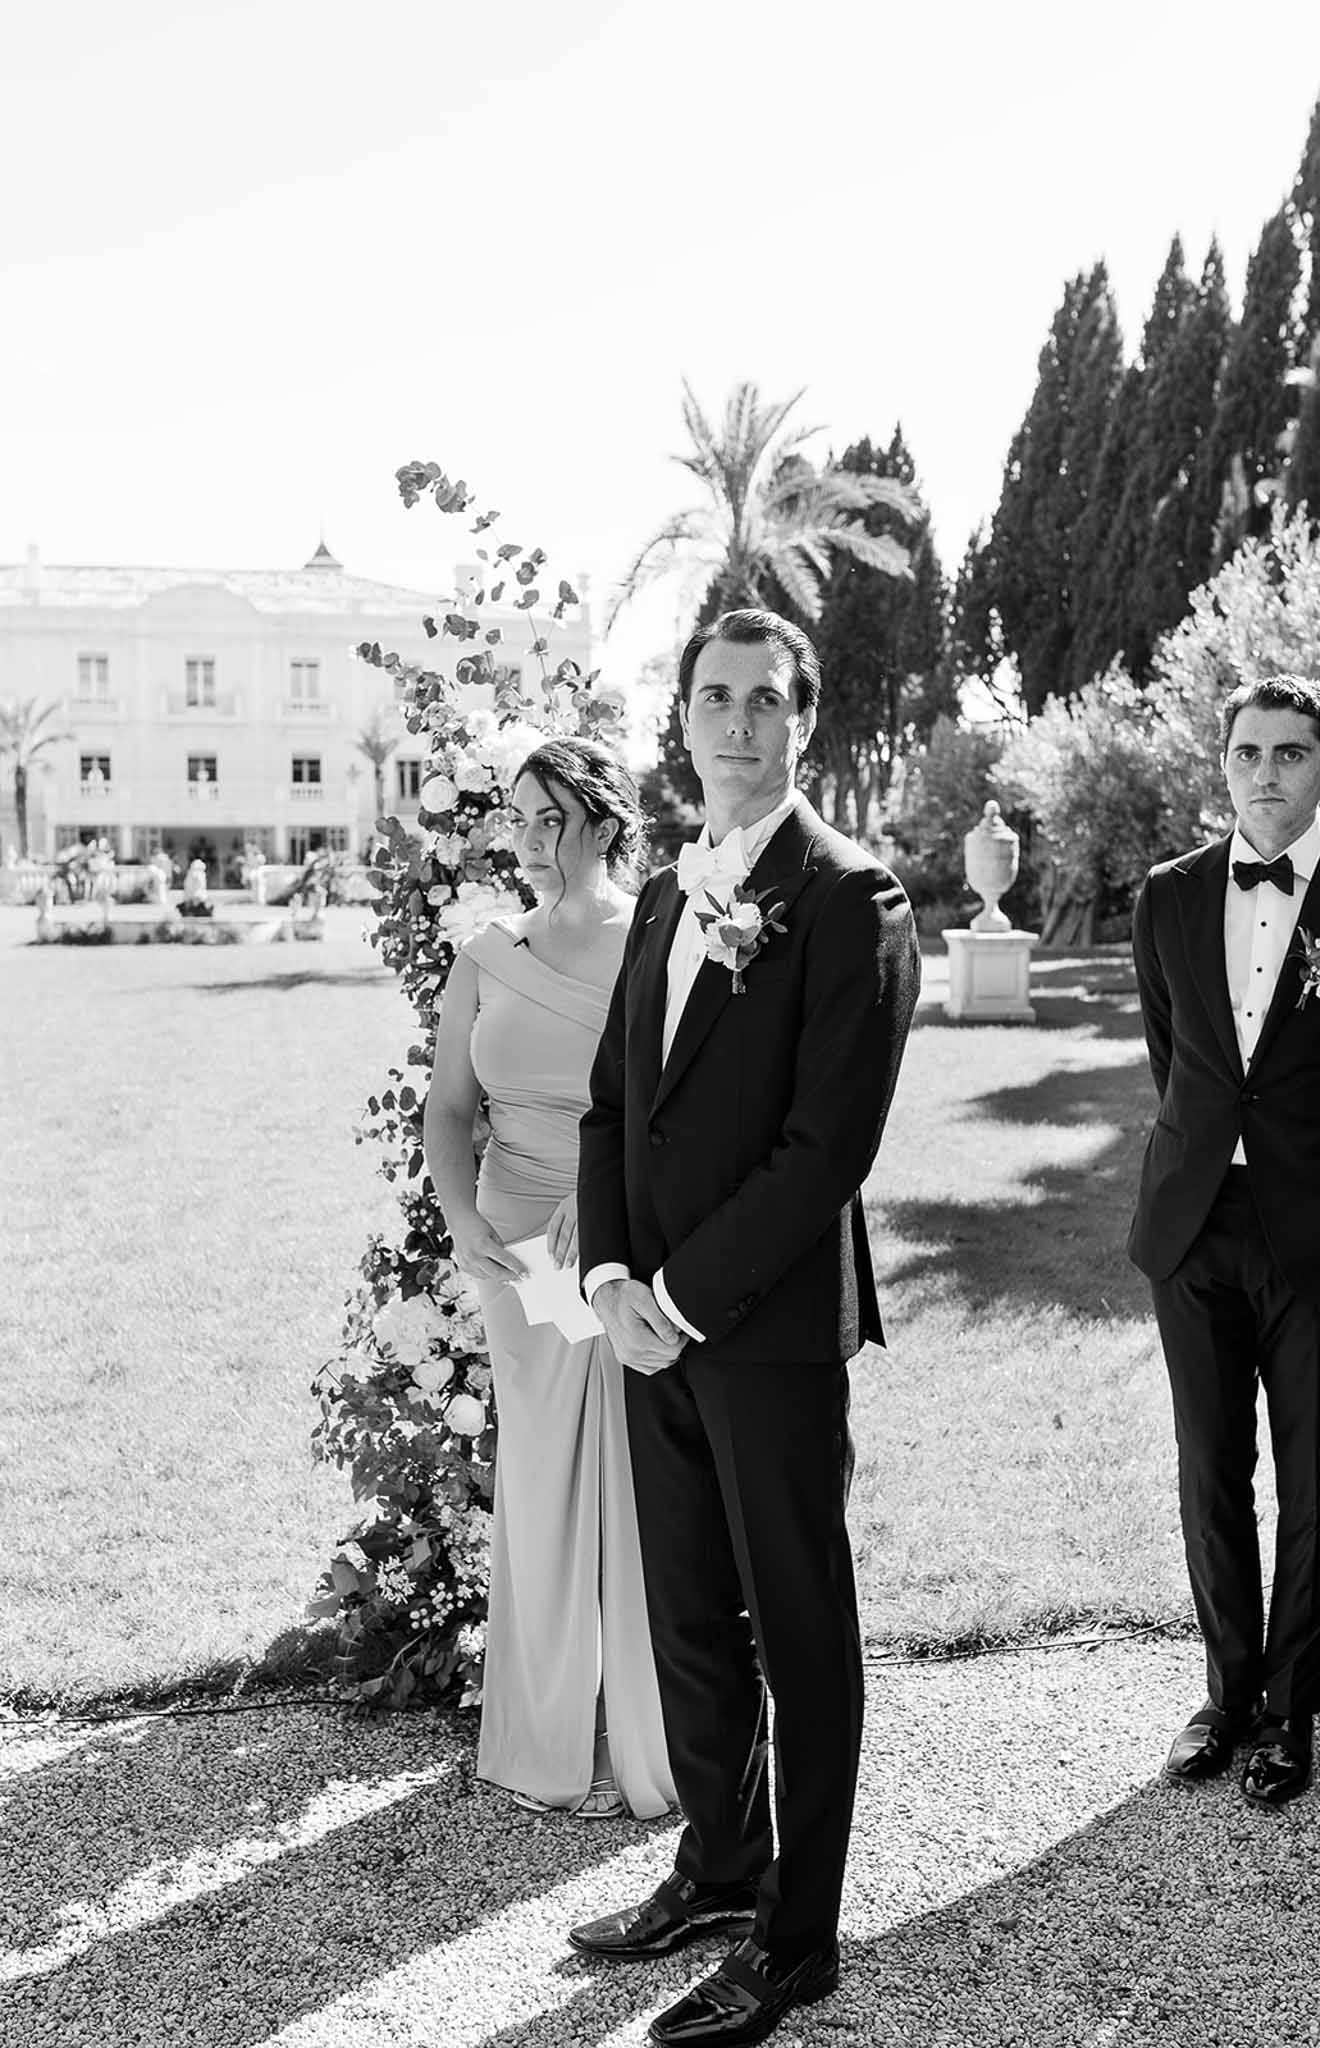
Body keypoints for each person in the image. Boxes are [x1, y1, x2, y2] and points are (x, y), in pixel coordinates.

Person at [570, 610, 919, 2048]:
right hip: (644, 1329)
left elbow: (823, 1148)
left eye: (762, 700)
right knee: (686, 1619)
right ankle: (720, 1865)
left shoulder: (854, 898)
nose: (733, 723)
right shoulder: (663, 893)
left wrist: (682, 1297)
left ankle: (798, 1937)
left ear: (804, 722)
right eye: (709, 698)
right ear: (680, 720)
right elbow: (611, 1107)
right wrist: (605, 1284)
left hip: (761, 1335)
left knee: (797, 1626)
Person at [424, 737, 673, 1821]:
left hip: (624, 1236)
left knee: (636, 1475)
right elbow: (445, 1107)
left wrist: (611, 1192)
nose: (519, 837)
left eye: (544, 818)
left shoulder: (658, 940)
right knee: (538, 1482)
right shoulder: (483, 951)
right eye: (513, 817)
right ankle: (544, 1740)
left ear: (605, 822)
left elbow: (682, 1096)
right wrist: (461, 1215)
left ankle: (655, 1740)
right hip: (513, 1245)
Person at [1130, 673, 1320, 1808]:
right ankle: (1225, 1694)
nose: (1262, 773)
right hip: (1193, 1222)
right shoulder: (1167, 895)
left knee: (1317, 1479)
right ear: (1221, 761)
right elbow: (1173, 1054)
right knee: (1209, 1468)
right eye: (1243, 752)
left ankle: (1293, 1709)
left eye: (1286, 752)